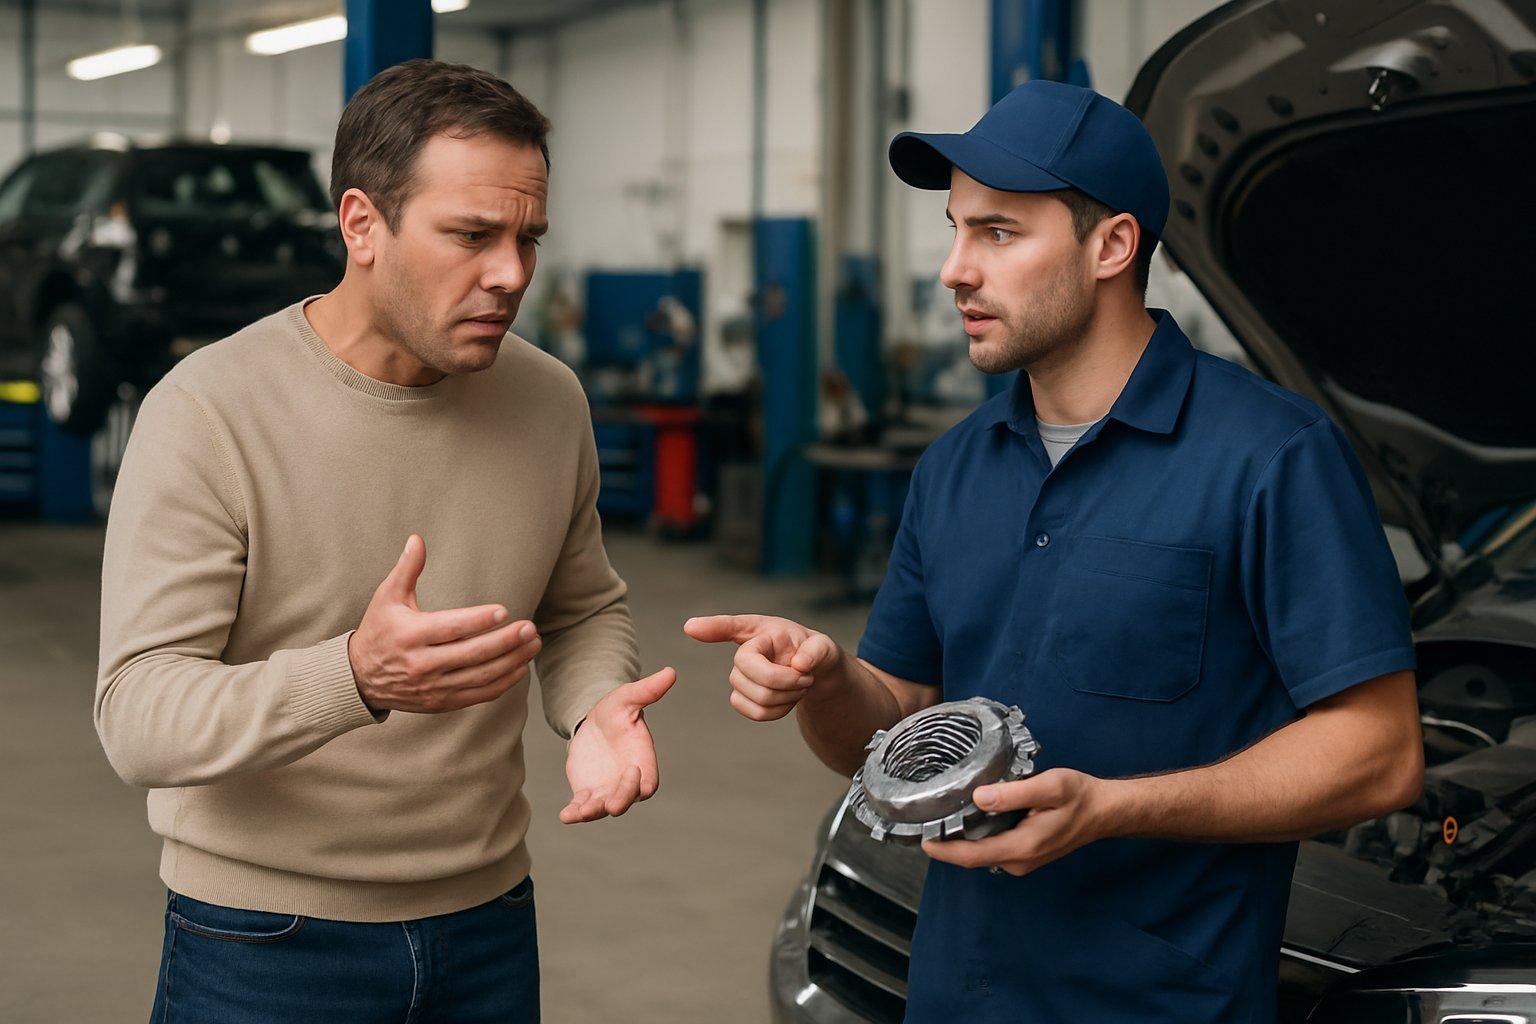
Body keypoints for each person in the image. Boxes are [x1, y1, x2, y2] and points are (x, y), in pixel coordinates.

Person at [685, 79, 1423, 1023]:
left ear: (1112, 245)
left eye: (997, 233)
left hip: (1160, 1000)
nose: (955, 269)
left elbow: (1382, 753)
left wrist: (1118, 807)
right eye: (955, 229)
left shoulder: (1270, 457)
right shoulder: (953, 469)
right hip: (956, 991)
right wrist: (825, 682)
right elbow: (891, 723)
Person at [96, 59, 672, 1023]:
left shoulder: (547, 399)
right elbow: (139, 715)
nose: (512, 273)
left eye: (528, 237)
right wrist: (355, 677)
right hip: (261, 942)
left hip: (487, 923)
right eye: (472, 235)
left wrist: (596, 705)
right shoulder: (208, 413)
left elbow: (580, 610)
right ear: (361, 224)